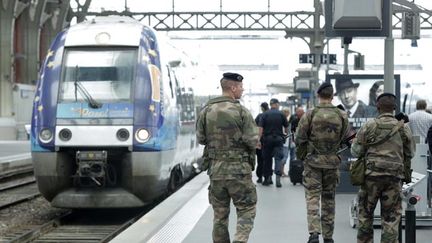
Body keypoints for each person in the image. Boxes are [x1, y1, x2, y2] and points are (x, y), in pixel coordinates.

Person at [196, 72, 259, 243]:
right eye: (240, 87)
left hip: (216, 171)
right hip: (239, 171)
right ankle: (240, 240)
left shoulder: (206, 110)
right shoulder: (241, 111)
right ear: (233, 88)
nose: (242, 89)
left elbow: (201, 139)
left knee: (220, 215)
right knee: (246, 209)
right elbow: (253, 141)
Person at [351, 93, 415, 243]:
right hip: (394, 178)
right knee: (391, 218)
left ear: (377, 107)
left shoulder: (369, 125)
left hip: (371, 178)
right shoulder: (403, 128)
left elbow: (356, 151)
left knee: (365, 216)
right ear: (394, 108)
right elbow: (410, 153)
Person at [295, 82, 349, 243]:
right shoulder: (341, 115)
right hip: (332, 163)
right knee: (329, 199)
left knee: (312, 197)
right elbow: (346, 137)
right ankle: (328, 236)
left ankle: (313, 233)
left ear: (318, 96)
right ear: (332, 96)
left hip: (313, 163)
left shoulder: (310, 114)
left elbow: (299, 138)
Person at [258, 98, 289, 187]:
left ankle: (268, 178)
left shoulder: (264, 114)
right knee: (278, 158)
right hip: (278, 139)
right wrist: (285, 134)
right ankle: (278, 178)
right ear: (277, 104)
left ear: (271, 104)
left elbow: (260, 129)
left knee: (267, 159)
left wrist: (258, 140)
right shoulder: (281, 114)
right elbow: (286, 127)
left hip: (267, 139)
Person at [255, 102, 269, 183]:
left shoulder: (259, 116)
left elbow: (254, 127)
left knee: (260, 160)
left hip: (260, 140)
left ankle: (260, 177)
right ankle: (267, 177)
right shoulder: (271, 115)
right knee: (268, 159)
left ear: (262, 108)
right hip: (268, 141)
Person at [281, 107, 291, 176]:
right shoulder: (283, 121)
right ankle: (281, 172)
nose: (287, 113)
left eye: (287, 112)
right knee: (284, 157)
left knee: (284, 157)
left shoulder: (285, 120)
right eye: (285, 112)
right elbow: (285, 132)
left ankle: (281, 171)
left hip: (285, 142)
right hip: (284, 142)